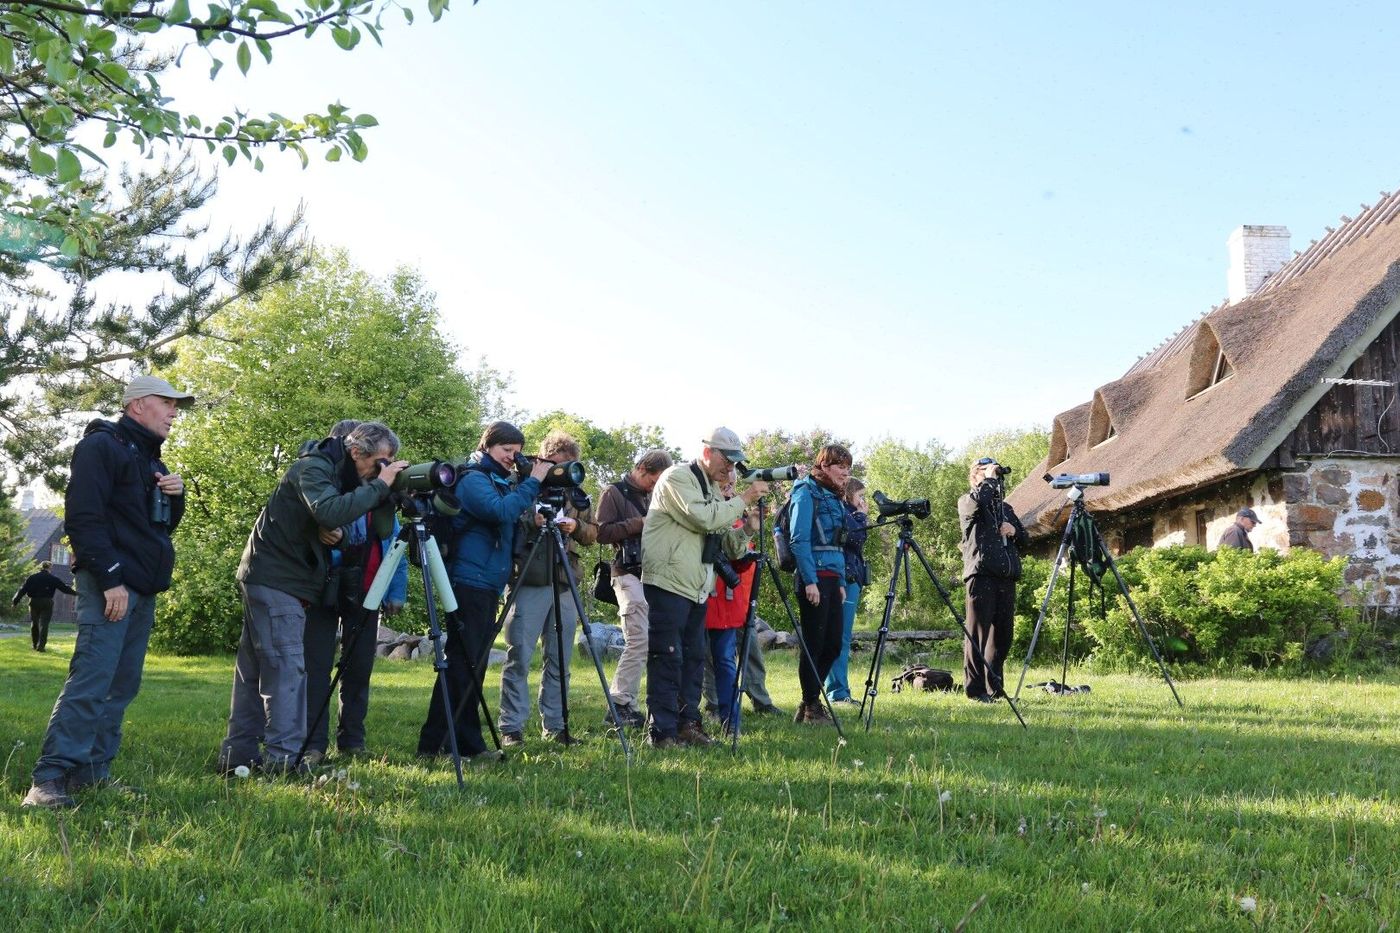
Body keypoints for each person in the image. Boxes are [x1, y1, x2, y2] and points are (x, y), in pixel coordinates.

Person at [22, 375, 194, 809]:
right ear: (137, 405)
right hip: (111, 585)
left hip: (141, 588)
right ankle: (50, 779)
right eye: (167, 403)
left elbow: (156, 531)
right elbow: (82, 519)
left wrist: (175, 498)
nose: (175, 412)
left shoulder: (149, 459)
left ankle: (93, 773)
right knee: (92, 680)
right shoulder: (101, 447)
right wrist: (111, 579)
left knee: (121, 685)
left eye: (178, 405)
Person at [219, 421, 406, 775]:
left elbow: (337, 519)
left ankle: (238, 755)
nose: (382, 470)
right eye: (380, 461)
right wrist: (381, 485)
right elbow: (329, 510)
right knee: (288, 669)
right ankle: (284, 760)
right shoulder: (314, 466)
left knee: (254, 671)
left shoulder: (333, 471)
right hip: (278, 579)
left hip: (271, 575)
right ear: (355, 452)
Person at [418, 421, 550, 761]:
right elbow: (500, 511)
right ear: (488, 446)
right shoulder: (474, 480)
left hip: (486, 582)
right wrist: (533, 480)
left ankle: (440, 744)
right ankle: (456, 745)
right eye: (507, 451)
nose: (512, 458)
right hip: (468, 581)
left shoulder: (502, 483)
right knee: (464, 664)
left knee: (468, 663)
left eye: (517, 453)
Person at [641, 427, 767, 748]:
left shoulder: (712, 488)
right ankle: (662, 732)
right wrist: (744, 498)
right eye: (728, 460)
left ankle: (688, 725)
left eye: (736, 462)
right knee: (667, 656)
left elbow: (729, 545)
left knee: (694, 658)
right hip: (668, 582)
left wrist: (748, 528)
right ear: (708, 452)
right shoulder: (677, 478)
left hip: (697, 586)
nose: (732, 468)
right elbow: (703, 519)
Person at [302, 420, 409, 764]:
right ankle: (314, 743)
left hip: (368, 588)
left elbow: (395, 542)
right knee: (316, 666)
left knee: (359, 668)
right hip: (325, 586)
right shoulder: (328, 484)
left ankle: (352, 740)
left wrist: (395, 590)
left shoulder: (382, 494)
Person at [497, 431, 598, 747]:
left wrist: (575, 525)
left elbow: (593, 534)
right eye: (555, 465)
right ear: (542, 460)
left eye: (567, 466)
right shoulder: (521, 484)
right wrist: (533, 519)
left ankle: (555, 726)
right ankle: (511, 727)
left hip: (564, 581)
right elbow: (503, 515)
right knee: (520, 657)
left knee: (560, 659)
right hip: (527, 579)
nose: (561, 473)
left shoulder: (575, 493)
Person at [595, 449, 673, 728]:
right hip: (626, 573)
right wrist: (638, 523)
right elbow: (600, 533)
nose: (655, 486)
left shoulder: (655, 495)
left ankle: (638, 704)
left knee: (656, 643)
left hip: (655, 574)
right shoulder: (613, 493)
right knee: (638, 640)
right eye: (653, 480)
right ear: (641, 468)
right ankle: (618, 705)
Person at [788, 444, 854, 724]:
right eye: (841, 466)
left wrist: (839, 580)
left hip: (832, 578)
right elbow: (798, 540)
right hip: (812, 577)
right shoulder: (805, 493)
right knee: (814, 643)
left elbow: (837, 543)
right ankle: (812, 706)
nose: (845, 473)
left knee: (833, 645)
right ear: (824, 465)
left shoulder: (834, 497)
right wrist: (809, 580)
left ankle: (807, 703)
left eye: (848, 467)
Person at [958, 457, 1029, 703]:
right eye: (984, 472)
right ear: (974, 476)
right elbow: (978, 502)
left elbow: (1026, 537)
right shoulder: (967, 501)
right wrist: (987, 480)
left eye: (994, 474)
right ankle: (975, 690)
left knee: (1002, 638)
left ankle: (995, 689)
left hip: (1006, 578)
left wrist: (1014, 531)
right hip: (981, 574)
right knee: (978, 634)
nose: (993, 477)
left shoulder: (1005, 508)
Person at [824, 477, 870, 706]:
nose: (863, 501)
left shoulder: (848, 513)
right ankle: (837, 692)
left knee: (841, 636)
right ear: (849, 494)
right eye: (860, 496)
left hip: (851, 578)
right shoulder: (844, 512)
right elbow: (856, 538)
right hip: (844, 578)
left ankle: (836, 689)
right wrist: (862, 516)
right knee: (839, 636)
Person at [11, 560, 76, 652]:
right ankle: (41, 647)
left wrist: (15, 602)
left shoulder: (32, 577)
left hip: (34, 602)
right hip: (47, 602)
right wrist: (77, 593)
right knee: (44, 624)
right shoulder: (52, 578)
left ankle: (34, 644)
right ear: (50, 568)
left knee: (34, 623)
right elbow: (64, 588)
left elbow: (22, 590)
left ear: (41, 567)